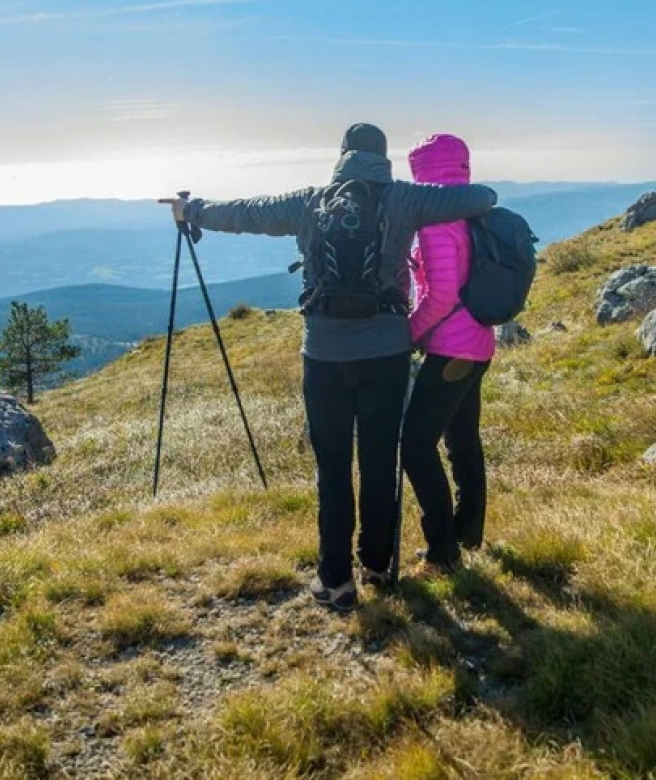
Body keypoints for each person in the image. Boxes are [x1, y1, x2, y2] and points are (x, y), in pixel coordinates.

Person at [163, 123, 496, 612]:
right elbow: (482, 198)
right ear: (383, 159)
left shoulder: (309, 201)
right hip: (386, 353)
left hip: (322, 355)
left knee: (333, 468)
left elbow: (247, 214)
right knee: (380, 462)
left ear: (341, 155)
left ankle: (336, 582)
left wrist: (193, 210)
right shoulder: (405, 198)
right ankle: (379, 568)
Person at [400, 134, 495, 574]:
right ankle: (469, 534)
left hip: (451, 351)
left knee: (416, 445)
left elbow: (439, 296)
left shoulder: (438, 222)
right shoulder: (474, 211)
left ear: (423, 173)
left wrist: (409, 335)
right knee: (462, 440)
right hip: (478, 344)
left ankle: (443, 551)